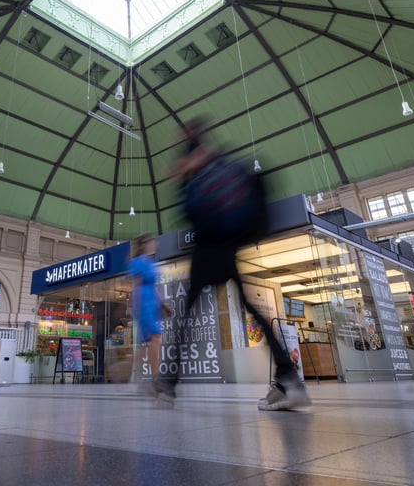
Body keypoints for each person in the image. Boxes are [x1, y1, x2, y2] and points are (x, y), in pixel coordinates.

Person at [165, 119, 309, 411]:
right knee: (250, 308)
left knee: (189, 313)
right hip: (229, 246)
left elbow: (186, 210)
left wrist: (184, 173)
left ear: (186, 135)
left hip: (207, 247)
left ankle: (168, 383)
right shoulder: (219, 159)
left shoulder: (191, 162)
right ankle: (289, 378)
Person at [128, 234, 168, 399]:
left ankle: (140, 378)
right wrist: (134, 306)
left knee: (148, 342)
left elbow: (154, 286)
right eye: (151, 241)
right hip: (143, 303)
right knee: (155, 338)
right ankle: (154, 378)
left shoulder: (151, 263)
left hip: (152, 304)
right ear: (143, 244)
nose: (154, 244)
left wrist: (163, 304)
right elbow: (136, 284)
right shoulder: (137, 262)